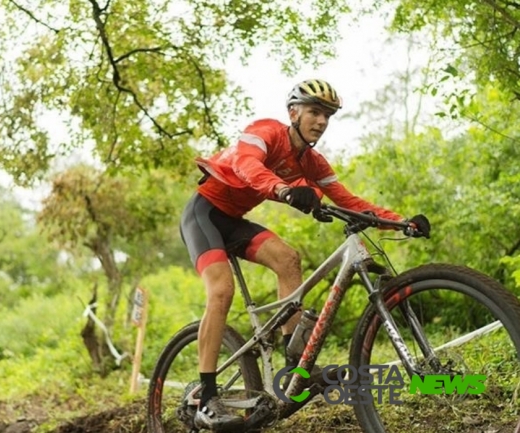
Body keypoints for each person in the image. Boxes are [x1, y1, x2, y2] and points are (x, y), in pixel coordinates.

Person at [180, 79, 430, 430]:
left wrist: (399, 222)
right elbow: (246, 165)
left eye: (327, 116)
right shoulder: (265, 131)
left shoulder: (312, 162)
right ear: (293, 112)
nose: (321, 121)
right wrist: (283, 189)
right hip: (204, 215)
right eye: (314, 112)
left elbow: (349, 201)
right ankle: (205, 397)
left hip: (234, 222)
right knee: (221, 290)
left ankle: (296, 361)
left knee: (288, 259)